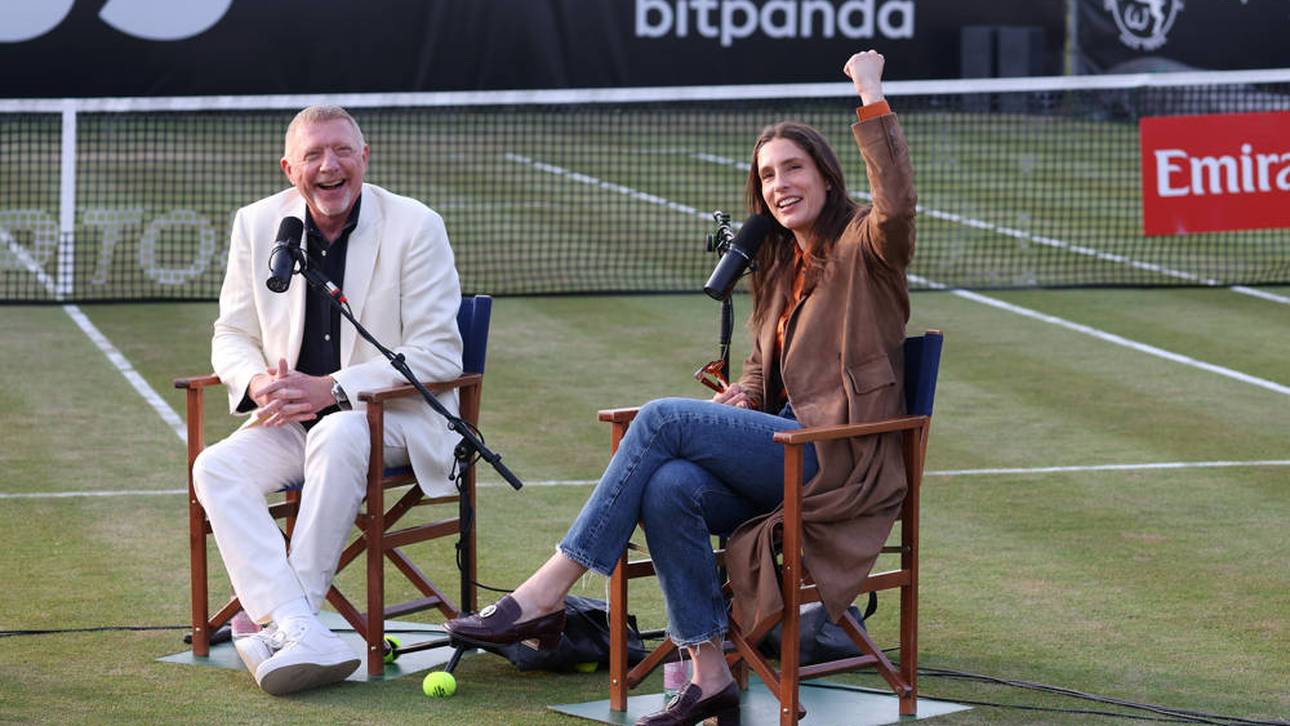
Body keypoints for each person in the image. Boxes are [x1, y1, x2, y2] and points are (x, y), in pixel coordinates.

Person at [445, 49, 915, 725]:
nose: (780, 185)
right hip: (785, 451)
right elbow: (763, 366)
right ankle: (710, 672)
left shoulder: (867, 245)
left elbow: (897, 200)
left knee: (665, 420)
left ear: (825, 174)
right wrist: (750, 395)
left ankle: (546, 591)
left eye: (793, 168)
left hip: (838, 459)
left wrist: (869, 92)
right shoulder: (782, 266)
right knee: (668, 489)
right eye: (768, 176)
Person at [193, 105, 464, 695]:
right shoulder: (257, 222)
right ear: (290, 168)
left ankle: (295, 615)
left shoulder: (416, 226)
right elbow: (231, 333)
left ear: (364, 158)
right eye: (313, 155)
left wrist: (336, 387)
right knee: (214, 465)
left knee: (339, 432)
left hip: (394, 418)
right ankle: (297, 624)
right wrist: (258, 381)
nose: (329, 166)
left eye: (341, 151)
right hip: (292, 418)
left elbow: (442, 355)